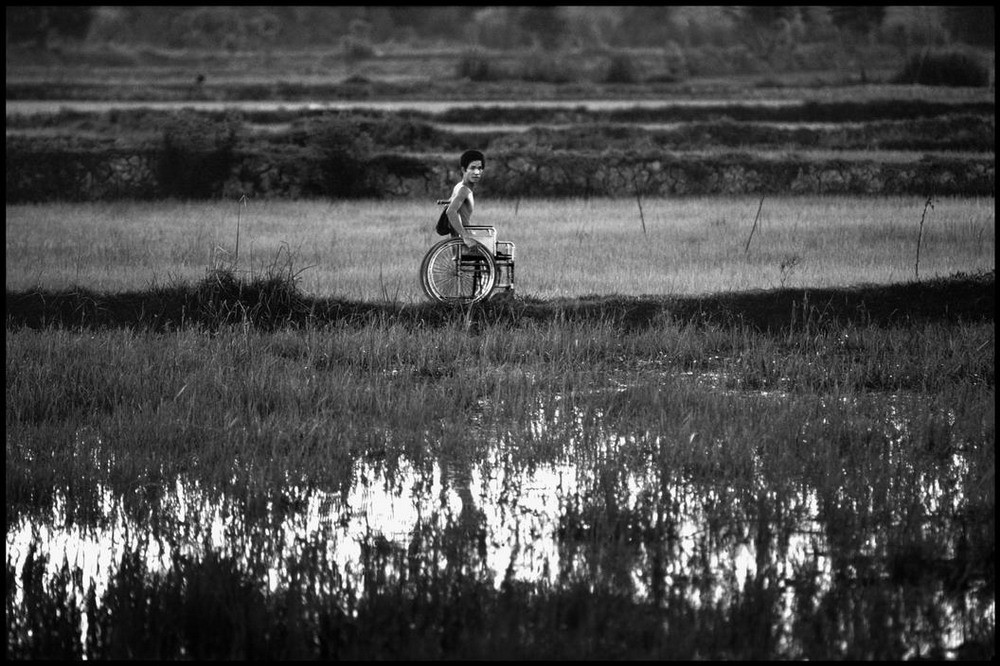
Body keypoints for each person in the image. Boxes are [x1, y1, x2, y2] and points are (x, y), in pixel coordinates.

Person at [444, 149, 486, 248]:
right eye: (472, 168)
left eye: (479, 168)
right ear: (464, 170)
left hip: (459, 236)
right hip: (465, 240)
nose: (476, 172)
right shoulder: (464, 190)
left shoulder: (459, 186)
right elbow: (450, 211)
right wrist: (465, 236)